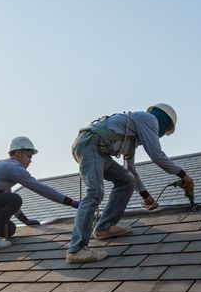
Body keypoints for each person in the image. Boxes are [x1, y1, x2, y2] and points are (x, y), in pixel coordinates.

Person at [66, 103, 193, 263]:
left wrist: (145, 195)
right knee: (94, 192)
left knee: (126, 180)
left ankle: (104, 227)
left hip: (98, 149)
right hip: (91, 145)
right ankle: (76, 249)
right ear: (164, 123)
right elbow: (157, 155)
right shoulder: (149, 119)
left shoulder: (132, 134)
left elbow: (130, 169)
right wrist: (184, 175)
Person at [0, 137, 79, 252]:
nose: (30, 161)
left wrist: (26, 221)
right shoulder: (12, 167)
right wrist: (72, 203)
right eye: (29, 156)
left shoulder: (3, 168)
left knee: (9, 229)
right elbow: (40, 188)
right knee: (15, 199)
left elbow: (5, 197)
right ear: (18, 153)